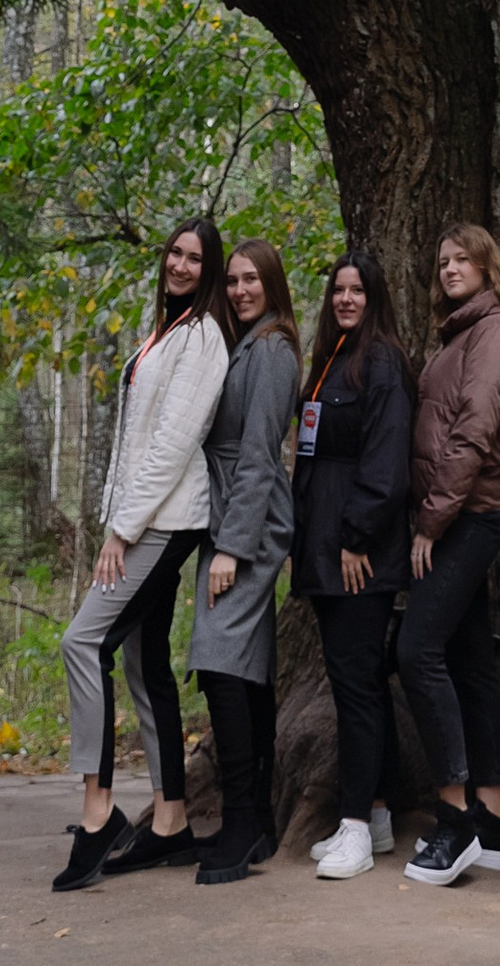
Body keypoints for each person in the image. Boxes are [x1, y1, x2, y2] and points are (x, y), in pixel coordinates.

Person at [53, 216, 230, 892]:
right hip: (141, 517)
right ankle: (172, 820)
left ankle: (99, 813)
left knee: (83, 642)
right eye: (174, 254)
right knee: (141, 659)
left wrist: (121, 530)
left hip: (166, 522)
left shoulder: (204, 337)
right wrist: (114, 515)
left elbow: (173, 445)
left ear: (208, 271)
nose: (180, 265)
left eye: (194, 259)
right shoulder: (166, 330)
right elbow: (133, 438)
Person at [402, 221, 500, 890]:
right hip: (457, 515)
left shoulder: (496, 335)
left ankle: (452, 822)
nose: (450, 268)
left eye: (463, 259)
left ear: (488, 268)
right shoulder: (459, 335)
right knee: (472, 662)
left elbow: (474, 433)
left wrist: (428, 524)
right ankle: (493, 823)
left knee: (415, 649)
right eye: (443, 259)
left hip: (468, 517)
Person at [295, 250, 415, 883]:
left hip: (356, 556)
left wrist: (356, 538)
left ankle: (355, 831)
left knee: (357, 688)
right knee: (356, 683)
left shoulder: (384, 362)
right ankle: (378, 813)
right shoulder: (330, 362)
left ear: (375, 299)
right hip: (321, 549)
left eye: (357, 291)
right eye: (338, 289)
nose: (345, 299)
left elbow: (387, 463)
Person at [190, 237, 300, 884]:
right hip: (232, 515)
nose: (239, 290)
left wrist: (232, 546)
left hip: (250, 524)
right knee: (247, 667)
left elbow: (260, 455)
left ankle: (238, 822)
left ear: (272, 285)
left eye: (251, 280)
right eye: (231, 281)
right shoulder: (242, 345)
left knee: (219, 659)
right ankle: (255, 817)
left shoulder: (274, 350)